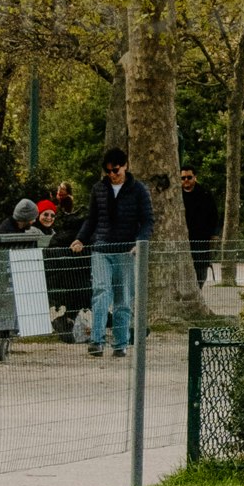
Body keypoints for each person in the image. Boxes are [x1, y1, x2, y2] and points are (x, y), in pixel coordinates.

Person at [86, 144, 153, 358]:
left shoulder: (139, 189)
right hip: (102, 248)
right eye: (108, 171)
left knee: (123, 298)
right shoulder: (98, 189)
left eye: (116, 170)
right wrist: (80, 238)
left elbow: (147, 220)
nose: (112, 175)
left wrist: (139, 242)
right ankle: (97, 341)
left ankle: (120, 342)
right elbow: (91, 219)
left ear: (125, 166)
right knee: (101, 292)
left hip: (126, 251)